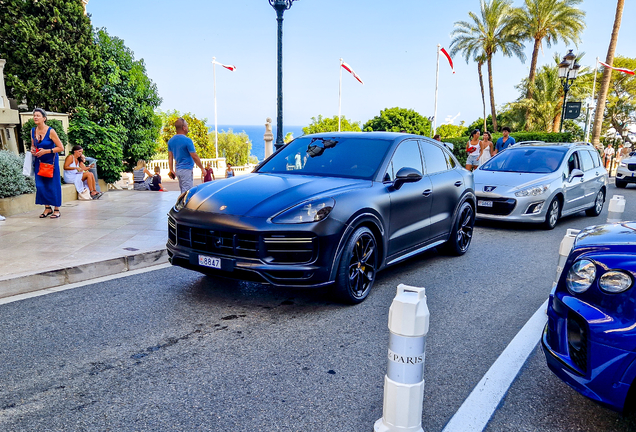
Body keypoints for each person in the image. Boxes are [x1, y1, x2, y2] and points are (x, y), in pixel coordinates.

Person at [30, 108, 64, 218]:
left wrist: (47, 151)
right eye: (34, 115)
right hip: (39, 162)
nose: (35, 117)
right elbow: (33, 145)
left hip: (51, 162)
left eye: (38, 115)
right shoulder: (33, 131)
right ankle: (47, 208)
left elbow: (61, 148)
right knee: (40, 186)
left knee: (53, 185)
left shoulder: (51, 131)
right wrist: (33, 150)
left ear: (44, 118)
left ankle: (57, 209)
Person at [168, 118, 206, 193]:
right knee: (187, 193)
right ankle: (183, 205)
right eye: (186, 125)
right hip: (186, 170)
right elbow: (194, 156)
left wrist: (171, 170)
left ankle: (182, 204)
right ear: (183, 127)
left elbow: (170, 157)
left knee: (183, 191)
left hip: (178, 170)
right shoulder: (187, 141)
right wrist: (202, 168)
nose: (187, 127)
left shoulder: (171, 141)